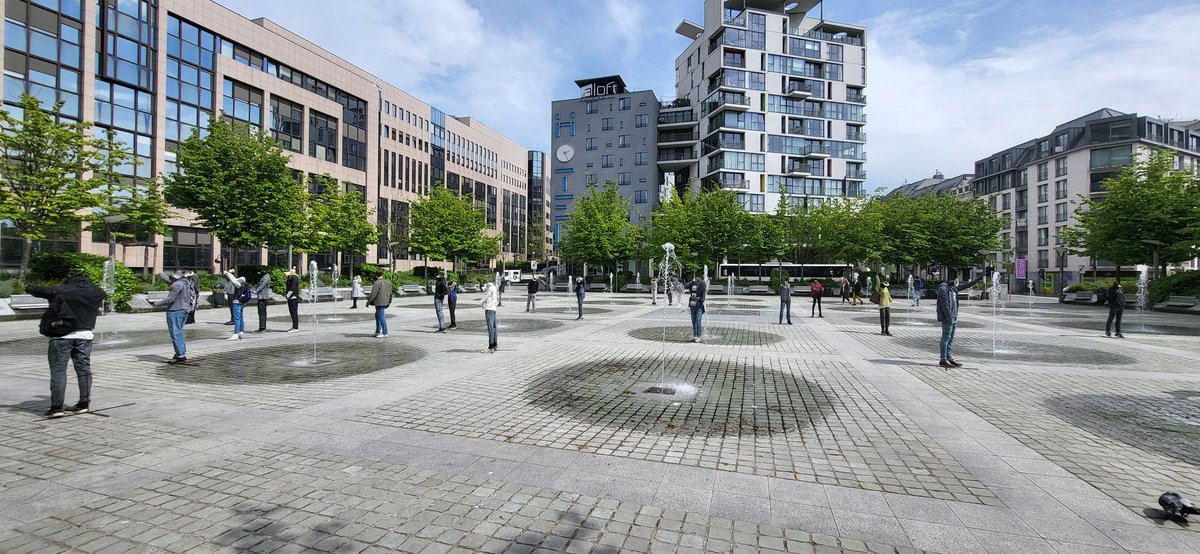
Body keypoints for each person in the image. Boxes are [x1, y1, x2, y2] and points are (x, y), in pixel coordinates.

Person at [28, 275, 105, 417]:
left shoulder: (63, 290)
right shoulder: (97, 292)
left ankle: (57, 407)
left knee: (58, 371)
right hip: (85, 335)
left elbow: (42, 291)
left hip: (61, 335)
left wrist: (29, 286)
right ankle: (84, 403)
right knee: (84, 370)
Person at [936, 273, 983, 367]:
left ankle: (949, 357)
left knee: (951, 338)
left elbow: (966, 285)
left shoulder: (953, 288)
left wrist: (978, 279)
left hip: (953, 316)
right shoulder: (943, 289)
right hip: (947, 317)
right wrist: (949, 317)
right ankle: (943, 359)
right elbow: (945, 304)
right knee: (946, 337)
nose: (956, 283)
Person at [155, 272, 197, 363]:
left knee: (175, 333)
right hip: (185, 309)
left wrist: (157, 304)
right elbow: (168, 280)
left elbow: (170, 299)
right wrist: (161, 274)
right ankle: (181, 353)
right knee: (179, 332)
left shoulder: (176, 285)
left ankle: (180, 355)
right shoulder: (187, 282)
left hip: (175, 310)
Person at [224, 270, 248, 341]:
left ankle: (235, 334)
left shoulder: (239, 285)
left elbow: (233, 280)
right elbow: (234, 279)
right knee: (240, 317)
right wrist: (229, 273)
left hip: (237, 302)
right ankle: (241, 331)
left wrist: (227, 273)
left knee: (237, 318)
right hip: (242, 302)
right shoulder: (245, 285)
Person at [367, 273, 392, 338]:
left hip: (379, 302)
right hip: (385, 301)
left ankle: (385, 332)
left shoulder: (377, 283)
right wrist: (389, 301)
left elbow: (373, 293)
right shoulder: (387, 282)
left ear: (376, 275)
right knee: (377, 315)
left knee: (381, 316)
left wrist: (369, 301)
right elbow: (390, 293)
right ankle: (378, 331)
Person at [684, 277, 707, 342]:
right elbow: (685, 286)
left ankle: (698, 335)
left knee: (698, 320)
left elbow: (703, 293)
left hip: (699, 304)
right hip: (692, 304)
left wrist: (702, 300)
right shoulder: (692, 283)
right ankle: (695, 335)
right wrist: (682, 279)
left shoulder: (702, 283)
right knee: (693, 320)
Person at [480, 282, 499, 352]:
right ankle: (495, 344)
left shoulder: (490, 288)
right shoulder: (495, 289)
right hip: (493, 309)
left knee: (490, 328)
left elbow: (486, 297)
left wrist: (480, 303)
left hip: (489, 309)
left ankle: (490, 347)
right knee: (494, 328)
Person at [284, 268, 300, 333]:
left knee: (294, 312)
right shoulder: (293, 277)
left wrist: (288, 295)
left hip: (293, 297)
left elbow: (292, 288)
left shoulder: (294, 277)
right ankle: (294, 326)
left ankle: (295, 327)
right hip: (292, 297)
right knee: (293, 312)